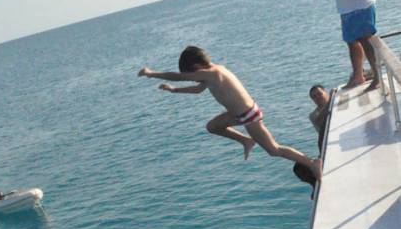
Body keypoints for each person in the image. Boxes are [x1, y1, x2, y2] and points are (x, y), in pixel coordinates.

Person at [138, 46, 322, 181]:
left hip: (249, 115)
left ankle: (311, 162)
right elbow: (197, 90)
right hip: (237, 114)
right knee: (212, 127)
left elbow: (179, 77)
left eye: (190, 72)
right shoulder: (211, 73)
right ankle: (245, 140)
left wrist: (151, 73)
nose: (191, 75)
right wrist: (173, 91)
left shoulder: (213, 72)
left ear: (195, 66)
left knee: (274, 150)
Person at [293, 85, 333, 196]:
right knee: (299, 167)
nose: (317, 97)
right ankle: (314, 183)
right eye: (314, 97)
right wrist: (331, 100)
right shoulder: (313, 115)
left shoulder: (336, 102)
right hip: (325, 146)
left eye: (319, 94)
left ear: (326, 92)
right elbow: (320, 120)